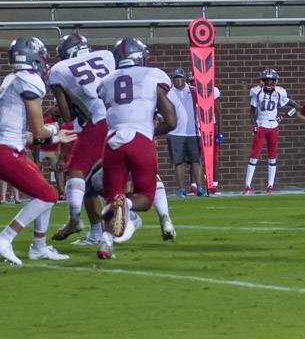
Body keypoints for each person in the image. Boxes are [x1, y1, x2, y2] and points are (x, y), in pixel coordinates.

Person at [94, 38, 176, 260]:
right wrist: (150, 130)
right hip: (140, 139)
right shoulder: (152, 75)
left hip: (112, 144)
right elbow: (171, 120)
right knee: (145, 197)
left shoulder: (106, 81)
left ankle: (105, 242)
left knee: (112, 199)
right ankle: (127, 203)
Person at [0, 38, 76, 266]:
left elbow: (27, 132)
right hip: (7, 150)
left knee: (44, 192)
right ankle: (5, 237)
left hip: (11, 146)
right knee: (49, 196)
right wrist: (55, 131)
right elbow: (39, 130)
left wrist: (49, 134)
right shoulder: (28, 80)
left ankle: (39, 246)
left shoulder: (11, 78)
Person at [46, 34, 115, 242]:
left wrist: (58, 114)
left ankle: (75, 218)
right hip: (121, 117)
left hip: (98, 121)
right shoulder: (107, 55)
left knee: (76, 172)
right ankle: (96, 232)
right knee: (94, 181)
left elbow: (67, 115)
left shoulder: (59, 70)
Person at [243, 68, 299, 194]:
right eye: (266, 80)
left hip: (273, 126)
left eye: (271, 81)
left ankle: (270, 186)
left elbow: (296, 106)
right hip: (261, 125)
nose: (269, 83)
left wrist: (283, 117)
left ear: (276, 81)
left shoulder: (280, 93)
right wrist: (254, 125)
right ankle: (247, 186)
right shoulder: (256, 92)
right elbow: (252, 111)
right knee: (254, 156)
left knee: (272, 157)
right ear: (262, 81)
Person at [165, 68, 207, 197]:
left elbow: (204, 102)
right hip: (175, 132)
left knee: (196, 160)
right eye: (176, 77)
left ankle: (200, 187)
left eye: (180, 77)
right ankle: (182, 189)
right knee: (178, 162)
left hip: (192, 131)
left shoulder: (192, 91)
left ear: (184, 78)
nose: (178, 80)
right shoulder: (169, 93)